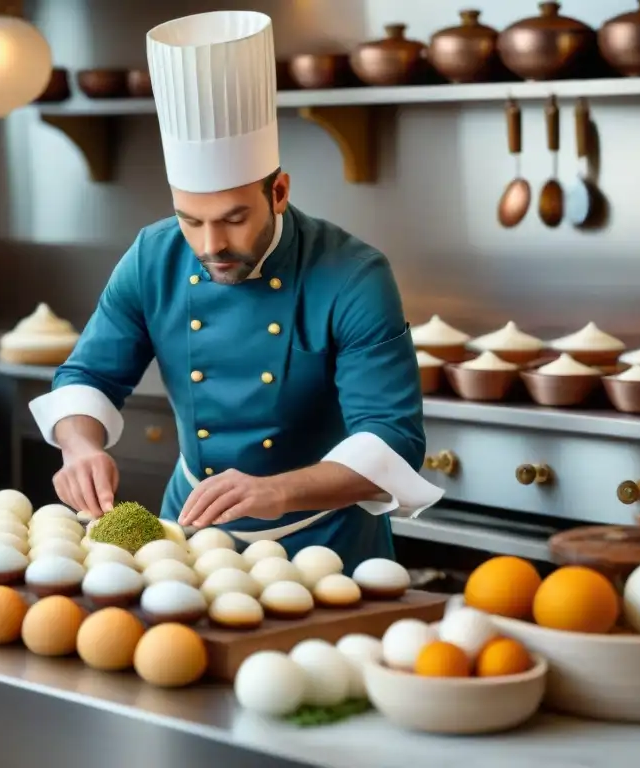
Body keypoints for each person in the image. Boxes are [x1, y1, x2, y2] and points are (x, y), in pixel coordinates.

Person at [29, 10, 443, 571]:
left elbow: (392, 436)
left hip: (325, 545)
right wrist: (80, 448)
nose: (210, 244)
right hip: (189, 536)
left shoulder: (353, 275)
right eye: (190, 220)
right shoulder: (154, 254)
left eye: (232, 218)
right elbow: (89, 375)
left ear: (278, 191)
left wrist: (276, 491)